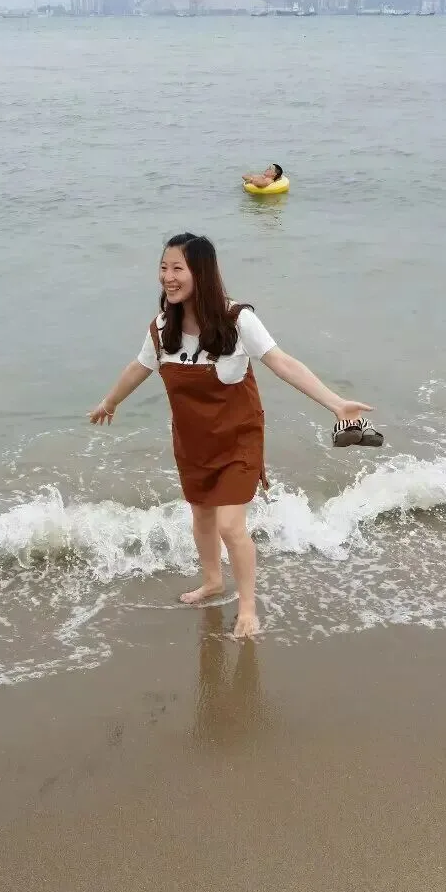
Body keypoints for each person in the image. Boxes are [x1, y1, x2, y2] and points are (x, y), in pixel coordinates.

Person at [89, 233, 373, 639]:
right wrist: (110, 401)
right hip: (192, 440)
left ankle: (247, 607)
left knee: (229, 525)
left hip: (239, 439)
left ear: (201, 272)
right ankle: (212, 581)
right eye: (163, 268)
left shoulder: (237, 321)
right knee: (202, 515)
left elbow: (282, 363)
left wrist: (336, 403)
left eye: (177, 268)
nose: (168, 277)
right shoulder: (163, 328)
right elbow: (139, 367)